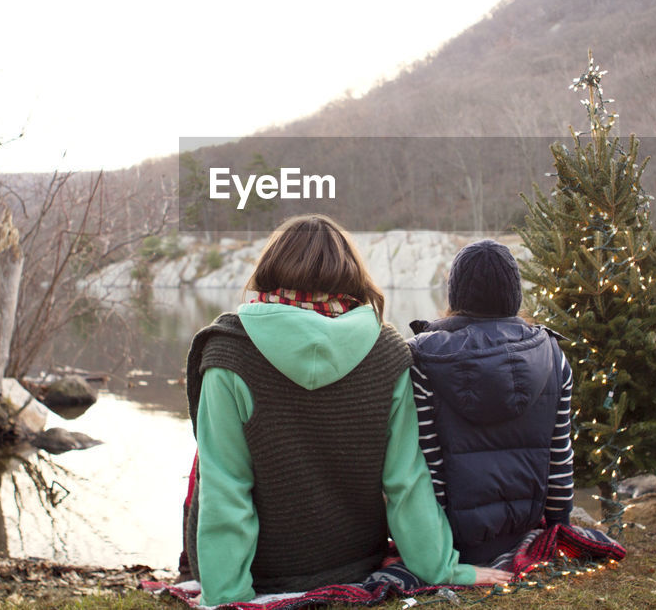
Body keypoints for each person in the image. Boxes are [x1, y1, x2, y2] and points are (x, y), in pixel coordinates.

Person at [183, 214, 510, 605]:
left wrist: (227, 597)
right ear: (352, 274)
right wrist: (444, 569)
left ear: (270, 269)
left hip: (260, 571)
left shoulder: (229, 351)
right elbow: (406, 483)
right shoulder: (388, 351)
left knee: (210, 470)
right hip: (354, 564)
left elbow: (225, 490)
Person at [408, 239, 574, 565]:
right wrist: (559, 533)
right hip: (525, 536)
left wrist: (440, 552)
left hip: (449, 544)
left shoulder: (422, 358)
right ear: (514, 296)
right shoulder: (553, 355)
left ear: (455, 295)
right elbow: (560, 463)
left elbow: (428, 467)